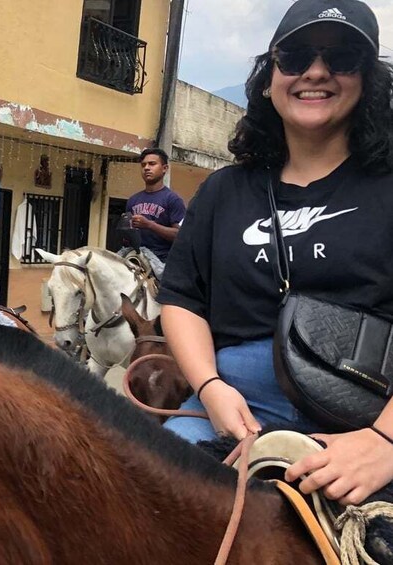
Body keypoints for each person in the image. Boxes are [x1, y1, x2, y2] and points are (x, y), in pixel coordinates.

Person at [158, 0, 393, 506]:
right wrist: (211, 386)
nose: (315, 71)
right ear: (270, 77)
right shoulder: (223, 191)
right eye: (295, 56)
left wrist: (384, 444)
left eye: (342, 57)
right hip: (227, 410)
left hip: (365, 423)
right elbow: (181, 296)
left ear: (367, 80)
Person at [125, 147, 186, 264]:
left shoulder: (173, 200)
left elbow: (179, 236)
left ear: (164, 168)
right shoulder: (133, 200)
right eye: (143, 165)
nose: (146, 168)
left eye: (152, 164)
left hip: (162, 260)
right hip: (135, 255)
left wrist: (149, 224)